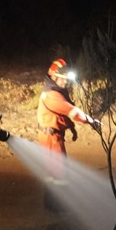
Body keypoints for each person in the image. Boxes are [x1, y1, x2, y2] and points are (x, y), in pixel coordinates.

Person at [35, 58, 100, 211]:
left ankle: (52, 202)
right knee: (58, 170)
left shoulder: (57, 91)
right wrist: (91, 121)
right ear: (54, 77)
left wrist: (72, 128)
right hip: (51, 136)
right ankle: (56, 205)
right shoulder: (52, 95)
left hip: (53, 134)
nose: (66, 82)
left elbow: (63, 114)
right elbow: (71, 111)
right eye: (63, 79)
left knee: (53, 169)